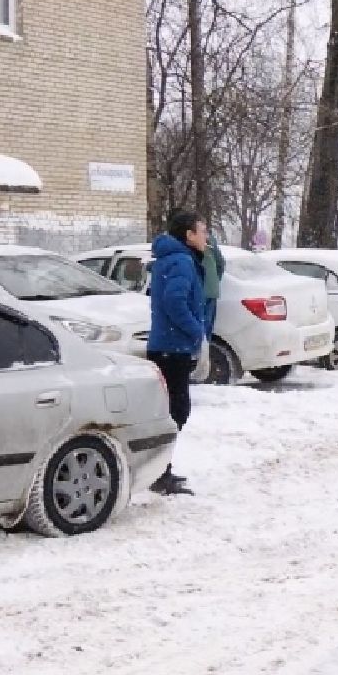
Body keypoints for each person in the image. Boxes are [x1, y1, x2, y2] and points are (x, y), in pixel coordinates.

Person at [146, 210, 210, 496]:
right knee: (176, 411)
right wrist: (197, 332)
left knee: (169, 410)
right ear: (189, 235)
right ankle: (159, 472)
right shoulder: (183, 262)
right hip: (173, 348)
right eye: (202, 230)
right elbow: (175, 301)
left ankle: (160, 470)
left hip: (165, 346)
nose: (206, 236)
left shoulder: (168, 260)